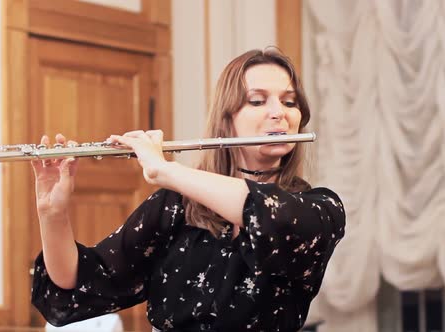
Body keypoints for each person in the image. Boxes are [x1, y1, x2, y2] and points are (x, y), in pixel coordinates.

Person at [30, 48, 346, 332]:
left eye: (289, 101)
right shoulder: (175, 205)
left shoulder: (319, 210)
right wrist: (53, 213)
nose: (279, 112)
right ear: (228, 117)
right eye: (257, 100)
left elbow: (267, 214)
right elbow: (80, 283)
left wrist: (164, 169)